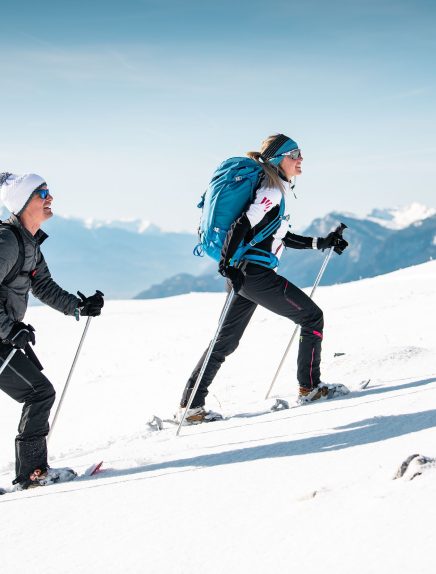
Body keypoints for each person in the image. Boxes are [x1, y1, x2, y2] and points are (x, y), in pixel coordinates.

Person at [178, 133, 349, 424]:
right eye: (294, 154)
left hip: (242, 274)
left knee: (224, 341)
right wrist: (226, 264)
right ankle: (309, 387)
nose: (300, 159)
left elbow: (280, 235)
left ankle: (191, 407)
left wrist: (322, 243)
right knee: (312, 318)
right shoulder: (272, 190)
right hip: (253, 274)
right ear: (278, 158)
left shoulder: (273, 189)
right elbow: (242, 223)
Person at [0, 172, 104, 490]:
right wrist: (8, 328)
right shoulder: (7, 242)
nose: (50, 197)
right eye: (41, 192)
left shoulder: (29, 243)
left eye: (48, 190)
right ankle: (33, 473)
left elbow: (42, 284)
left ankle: (32, 472)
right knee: (38, 392)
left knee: (38, 392)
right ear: (22, 202)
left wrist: (77, 307)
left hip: (4, 338)